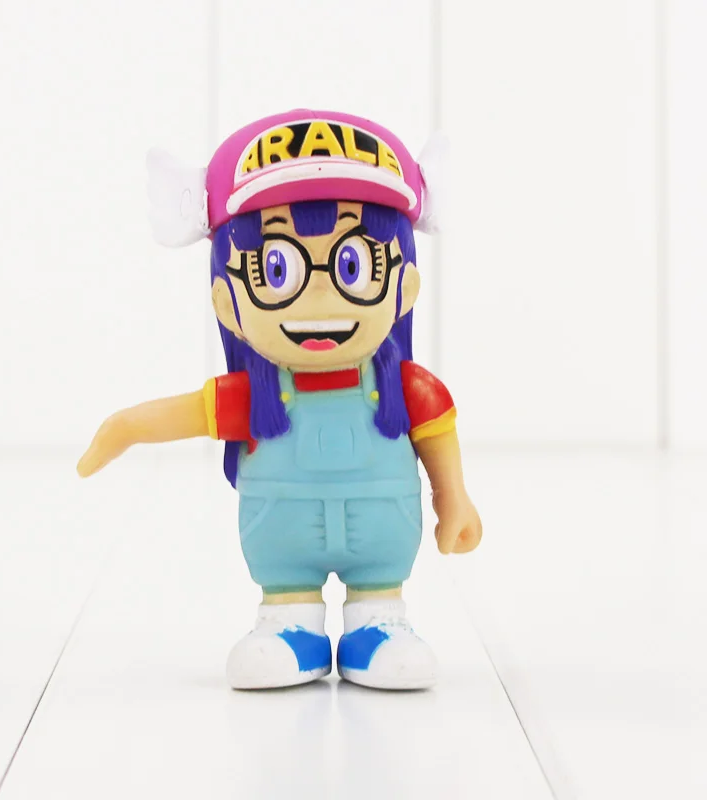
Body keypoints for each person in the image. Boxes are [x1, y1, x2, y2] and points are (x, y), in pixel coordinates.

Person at [78, 110, 482, 690]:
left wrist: (454, 499)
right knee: (283, 614)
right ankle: (290, 628)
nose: (319, 294)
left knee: (382, 608)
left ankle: (380, 625)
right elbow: (175, 416)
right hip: (283, 545)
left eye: (353, 264)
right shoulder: (256, 397)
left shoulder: (404, 389)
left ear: (405, 286)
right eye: (276, 268)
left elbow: (438, 435)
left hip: (383, 541)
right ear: (226, 300)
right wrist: (122, 428)